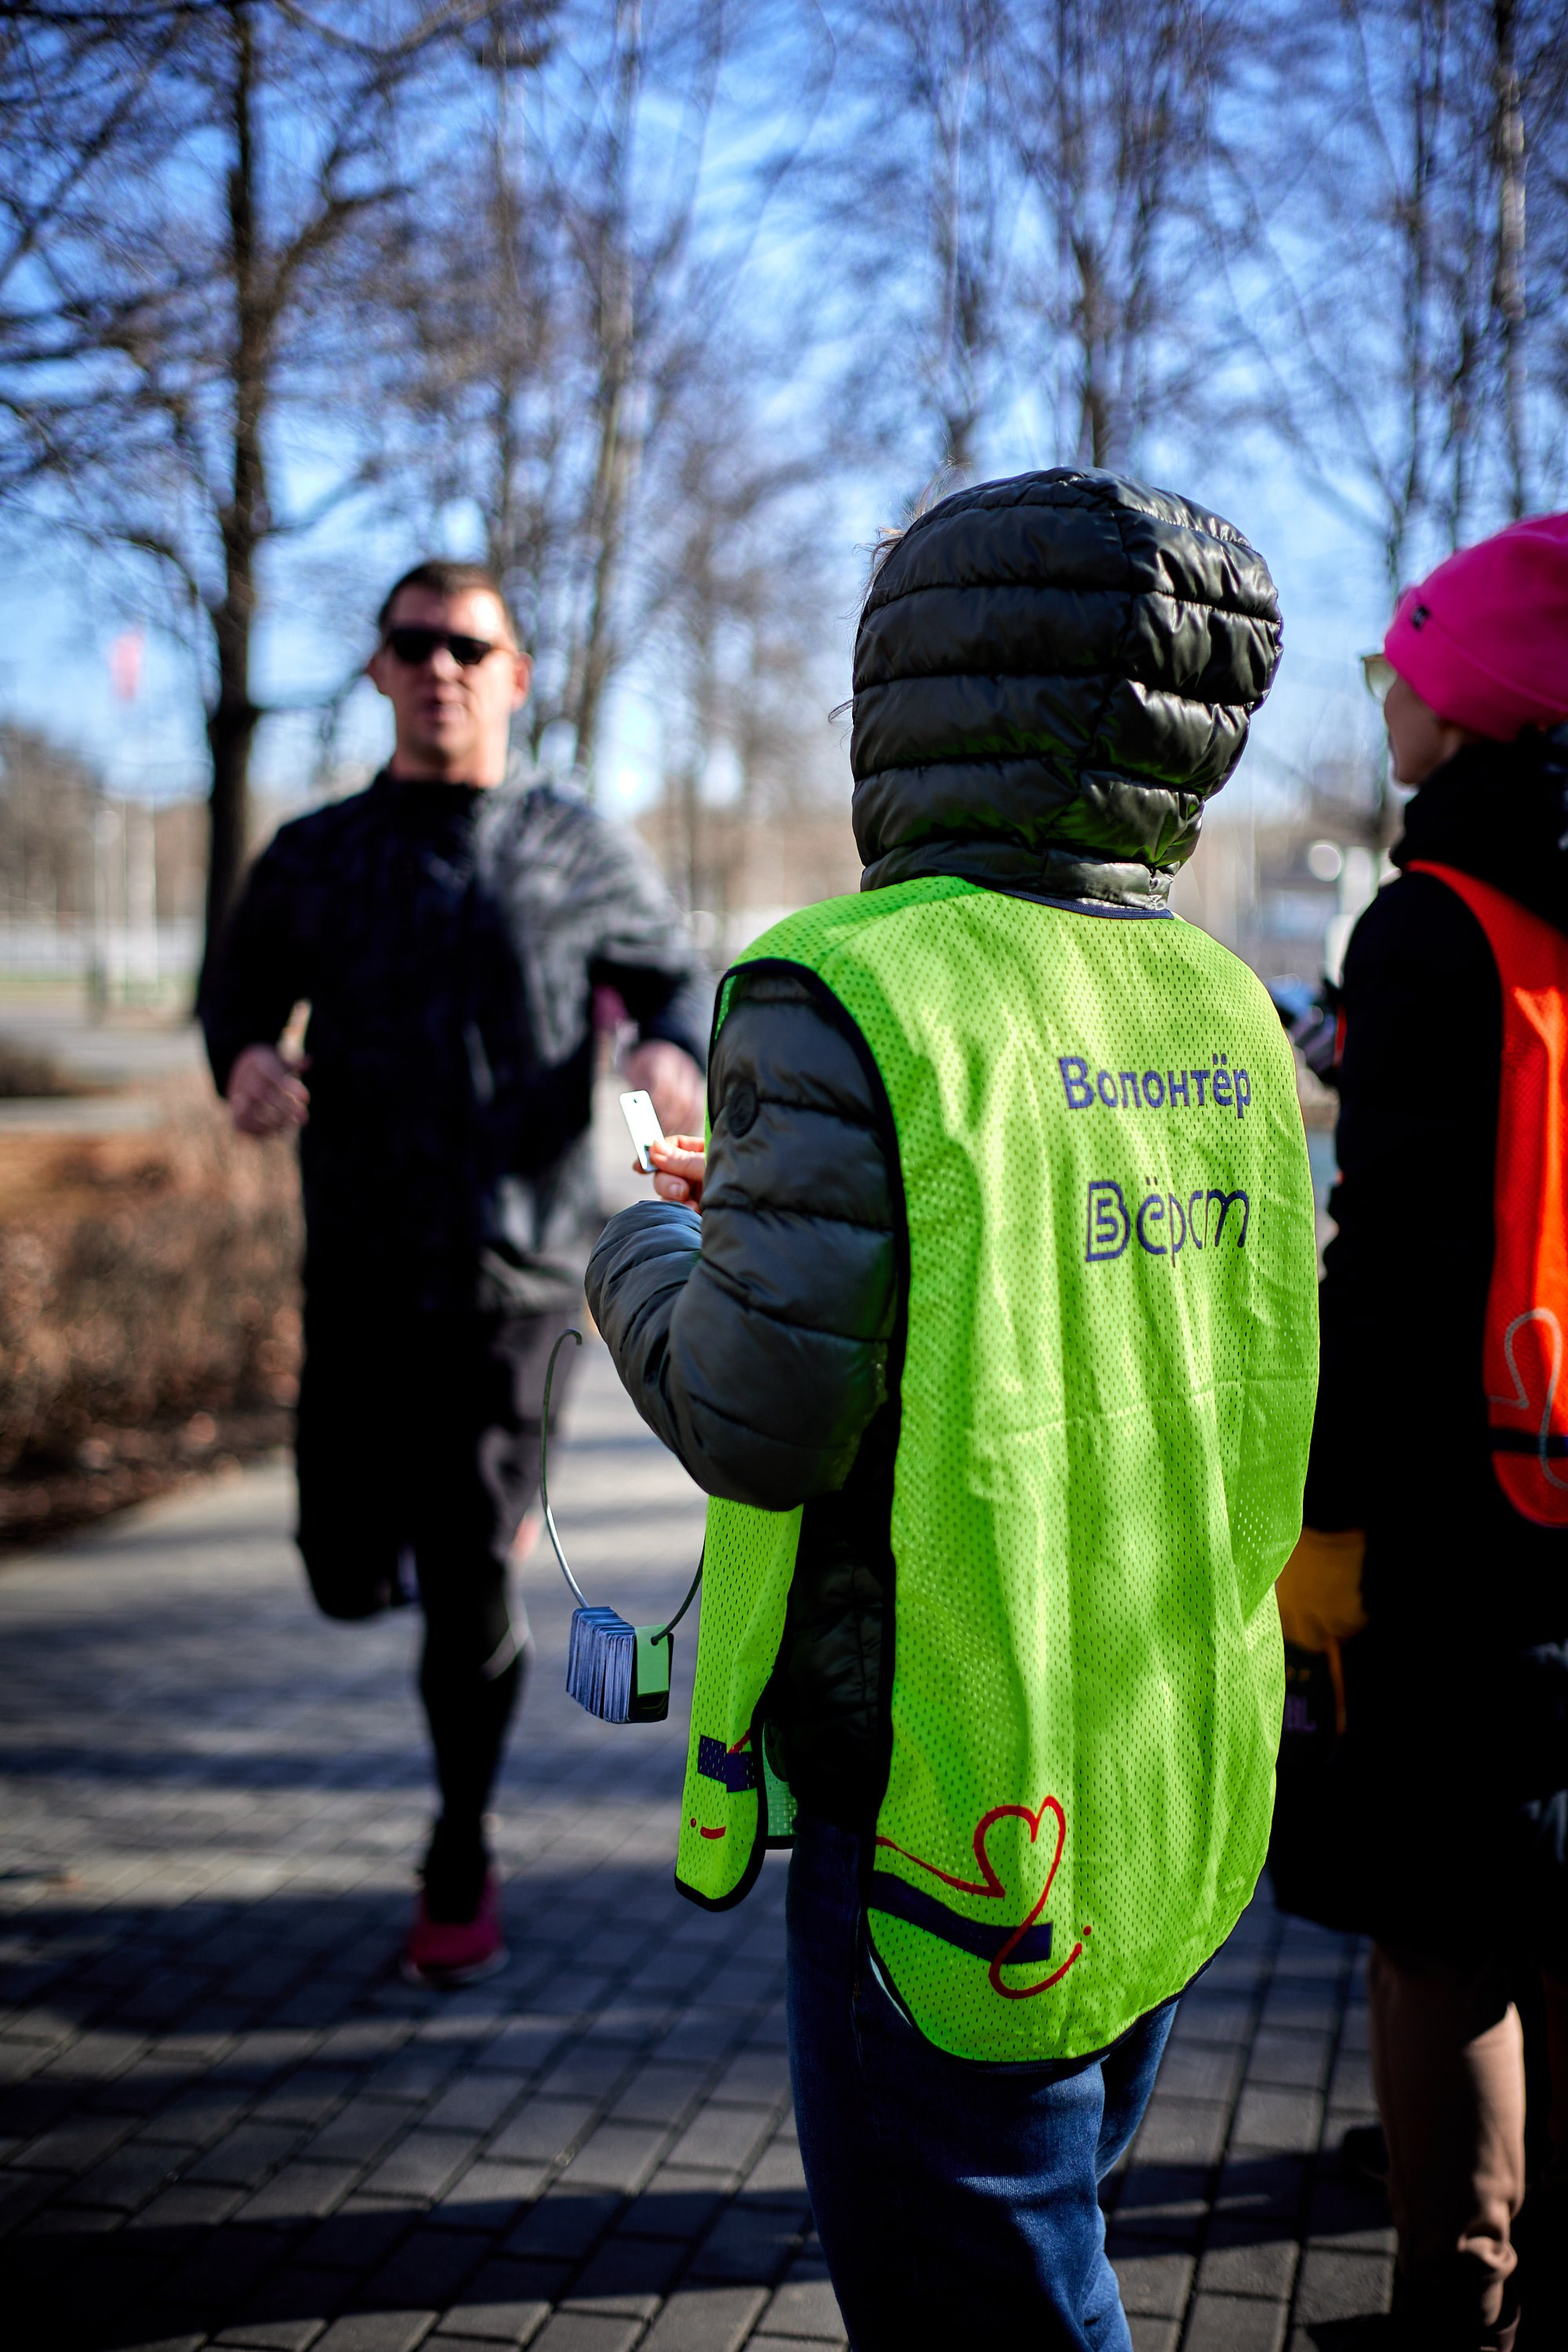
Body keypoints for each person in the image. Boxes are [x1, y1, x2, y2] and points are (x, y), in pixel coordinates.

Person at [583, 470, 1319, 2348]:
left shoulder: (849, 988)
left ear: (902, 689)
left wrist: (634, 1259)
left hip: (951, 1821)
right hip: (1156, 1775)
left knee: (992, 2314)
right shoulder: (1223, 1004)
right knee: (1052, 2238)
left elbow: (758, 1423)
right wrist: (782, 1225)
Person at [201, 557, 708, 1987]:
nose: (441, 668)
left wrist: (665, 1047)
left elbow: (667, 977)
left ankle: (461, 1844)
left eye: (468, 648)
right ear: (378, 672)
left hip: (519, 1278)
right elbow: (236, 993)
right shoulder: (319, 852)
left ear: (516, 674)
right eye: (413, 645)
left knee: (474, 1584)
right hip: (360, 1264)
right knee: (342, 1576)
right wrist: (241, 1056)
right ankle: (412, 1566)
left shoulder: (570, 846)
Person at [1269, 514, 1568, 2352]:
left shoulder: (1428, 924)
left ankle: (1455, 2306)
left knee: (1443, 1929)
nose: (1380, 694)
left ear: (1460, 700)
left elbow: (1383, 1277)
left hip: (1469, 1509)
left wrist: (1325, 1526)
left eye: (1398, 665)